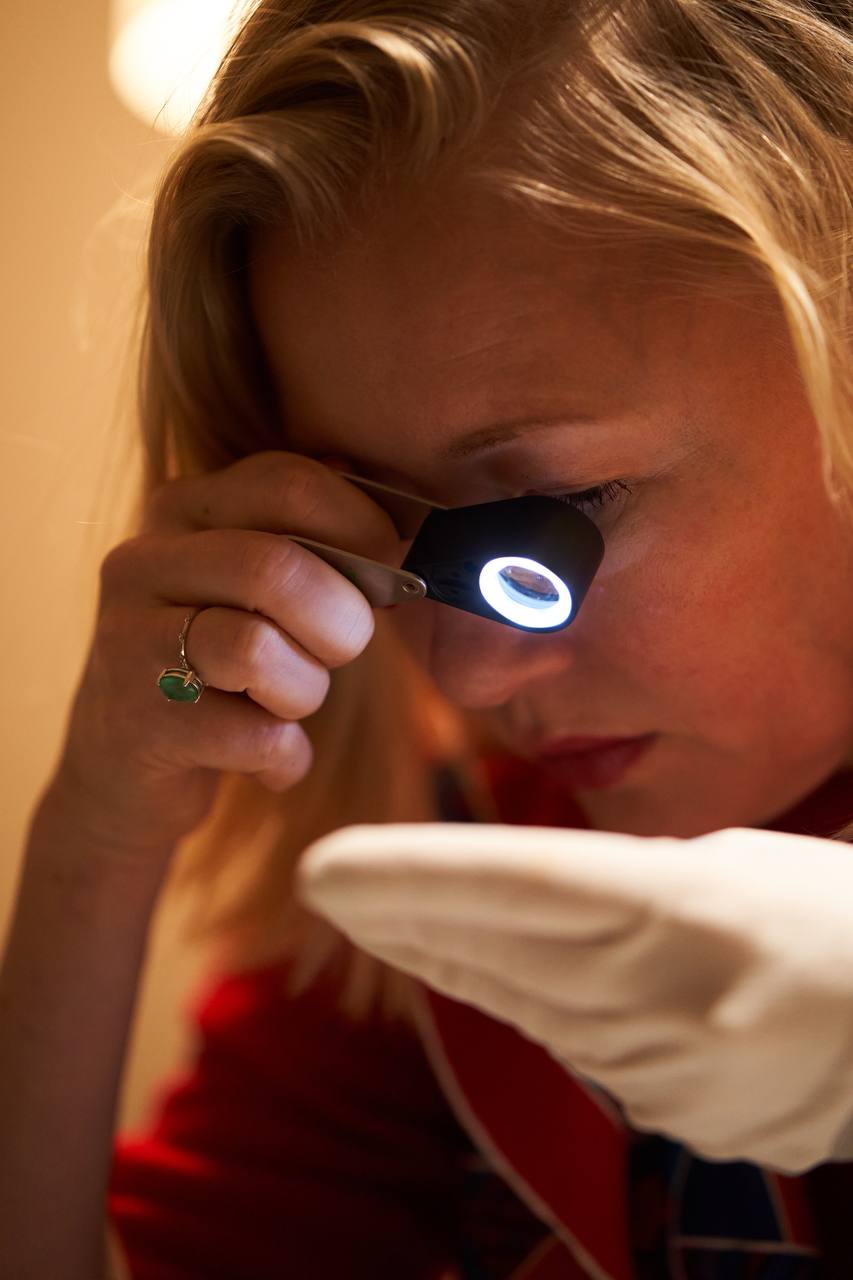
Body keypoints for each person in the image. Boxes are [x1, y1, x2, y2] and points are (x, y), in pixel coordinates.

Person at [1, 0, 851, 1276]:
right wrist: (97, 839)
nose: (468, 670)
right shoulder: (453, 896)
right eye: (383, 530)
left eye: (558, 517)